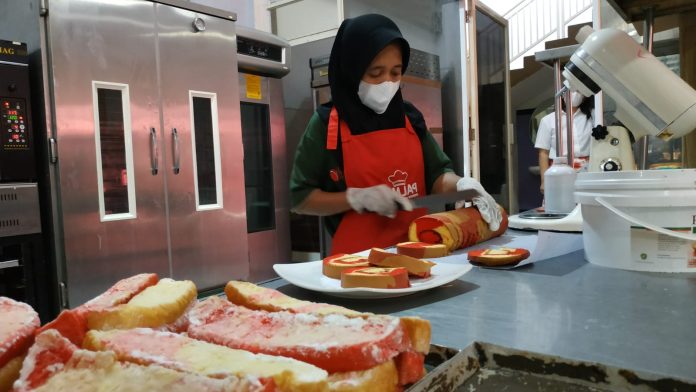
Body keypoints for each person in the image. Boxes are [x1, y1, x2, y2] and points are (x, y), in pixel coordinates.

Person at [289, 14, 501, 255]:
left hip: (418, 250)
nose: (387, 83)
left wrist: (464, 184)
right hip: (357, 264)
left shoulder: (409, 117)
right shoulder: (326, 125)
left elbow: (438, 175)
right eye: (375, 73)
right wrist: (355, 198)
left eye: (395, 72)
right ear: (352, 70)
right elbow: (301, 199)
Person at [534, 92, 594, 193]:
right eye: (571, 90)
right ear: (562, 94)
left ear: (585, 96)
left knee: (586, 204)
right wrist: (544, 181)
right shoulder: (548, 120)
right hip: (559, 170)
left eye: (579, 91)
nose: (575, 94)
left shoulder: (593, 117)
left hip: (588, 170)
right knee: (560, 203)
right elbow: (543, 153)